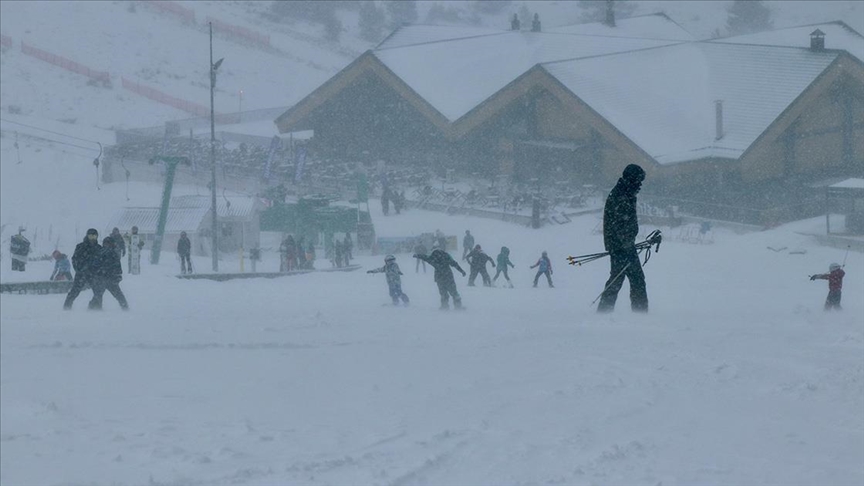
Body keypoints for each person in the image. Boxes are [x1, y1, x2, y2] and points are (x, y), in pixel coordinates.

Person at [597, 164, 648, 312]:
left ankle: (604, 311)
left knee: (618, 279)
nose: (640, 185)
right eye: (639, 181)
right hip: (621, 246)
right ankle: (640, 314)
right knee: (634, 280)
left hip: (620, 244)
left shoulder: (626, 192)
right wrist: (626, 244)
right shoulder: (622, 195)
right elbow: (618, 223)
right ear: (632, 179)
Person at [414, 245, 466, 310]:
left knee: (443, 292)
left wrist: (418, 255)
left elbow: (425, 257)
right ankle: (458, 306)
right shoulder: (446, 255)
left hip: (439, 277)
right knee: (453, 291)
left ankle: (444, 306)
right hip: (448, 276)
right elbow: (454, 263)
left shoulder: (432, 257)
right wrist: (462, 271)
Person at [63, 228, 102, 310]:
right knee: (75, 291)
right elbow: (74, 259)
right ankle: (66, 307)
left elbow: (102, 261)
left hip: (93, 274)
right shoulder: (80, 246)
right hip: (82, 273)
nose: (92, 238)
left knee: (98, 291)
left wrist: (99, 271)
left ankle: (95, 308)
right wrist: (78, 269)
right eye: (90, 236)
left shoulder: (99, 248)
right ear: (87, 236)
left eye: (94, 236)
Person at [89, 237, 128, 310]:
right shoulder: (111, 253)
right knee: (118, 295)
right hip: (109, 278)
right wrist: (118, 275)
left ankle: (93, 309)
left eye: (108, 244)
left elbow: (94, 266)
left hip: (103, 278)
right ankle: (125, 308)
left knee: (98, 295)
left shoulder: (101, 253)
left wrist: (96, 274)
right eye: (106, 244)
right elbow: (117, 267)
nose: (107, 245)